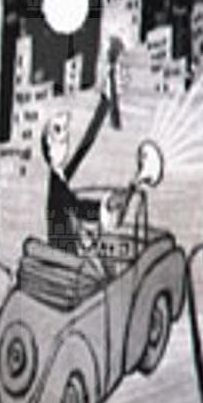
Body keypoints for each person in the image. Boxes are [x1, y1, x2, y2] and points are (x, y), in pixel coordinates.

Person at [41, 40, 121, 251]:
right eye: (59, 135)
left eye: (64, 134)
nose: (65, 141)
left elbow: (82, 149)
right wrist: (103, 208)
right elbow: (77, 207)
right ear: (48, 146)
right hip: (65, 260)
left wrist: (104, 104)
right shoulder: (57, 187)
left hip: (68, 254)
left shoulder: (60, 176)